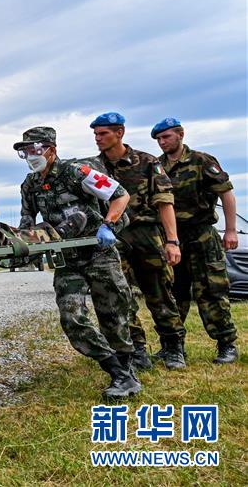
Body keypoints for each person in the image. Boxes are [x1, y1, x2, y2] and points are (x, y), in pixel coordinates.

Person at [15, 126, 141, 399]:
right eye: (26, 151)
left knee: (113, 316)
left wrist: (108, 224)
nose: (30, 155)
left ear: (51, 149)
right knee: (72, 318)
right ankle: (117, 371)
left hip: (99, 254)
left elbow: (120, 195)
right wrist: (24, 245)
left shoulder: (77, 173)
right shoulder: (30, 184)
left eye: (35, 149)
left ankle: (127, 373)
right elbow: (27, 221)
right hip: (68, 260)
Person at [92, 112, 187, 370]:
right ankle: (136, 350)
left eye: (103, 134)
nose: (98, 139)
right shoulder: (95, 167)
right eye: (96, 134)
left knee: (159, 292)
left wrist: (172, 241)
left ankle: (173, 347)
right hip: (114, 238)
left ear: (119, 132)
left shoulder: (146, 162)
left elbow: (165, 202)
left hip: (147, 235)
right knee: (120, 294)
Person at [152, 118, 239, 364]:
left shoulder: (202, 161)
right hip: (172, 238)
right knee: (172, 294)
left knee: (212, 290)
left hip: (201, 235)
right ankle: (173, 347)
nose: (162, 142)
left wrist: (230, 230)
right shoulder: (156, 166)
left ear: (180, 134)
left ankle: (226, 344)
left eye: (166, 137)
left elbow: (227, 195)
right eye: (158, 139)